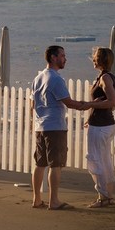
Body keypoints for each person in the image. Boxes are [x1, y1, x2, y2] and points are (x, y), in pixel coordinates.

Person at [31, 45, 89, 210]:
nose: (65, 58)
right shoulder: (56, 79)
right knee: (56, 165)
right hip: (54, 126)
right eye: (62, 56)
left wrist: (34, 121)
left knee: (40, 164)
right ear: (53, 58)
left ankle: (36, 199)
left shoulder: (38, 77)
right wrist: (90, 105)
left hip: (40, 125)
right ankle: (54, 200)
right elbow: (68, 102)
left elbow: (32, 103)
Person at [84, 47, 115, 208]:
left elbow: (112, 102)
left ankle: (102, 197)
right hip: (103, 124)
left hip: (101, 126)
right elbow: (101, 101)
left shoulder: (105, 78)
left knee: (94, 160)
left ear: (102, 60)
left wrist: (90, 104)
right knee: (104, 160)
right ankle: (108, 196)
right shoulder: (106, 77)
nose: (93, 59)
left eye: (96, 57)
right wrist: (90, 115)